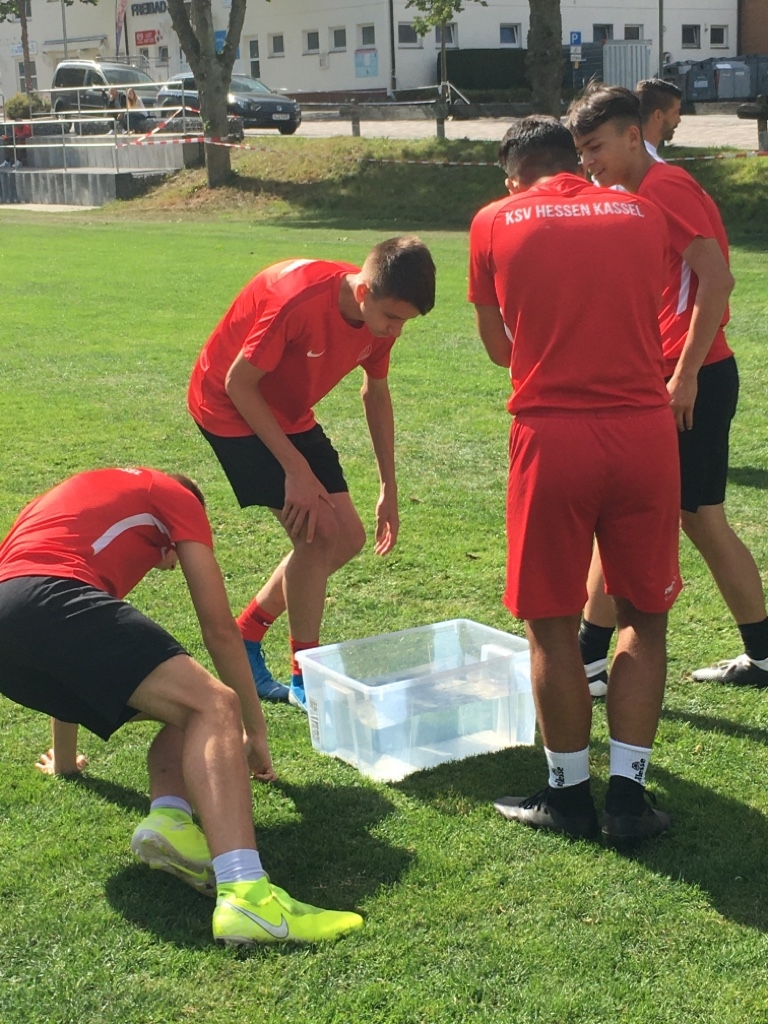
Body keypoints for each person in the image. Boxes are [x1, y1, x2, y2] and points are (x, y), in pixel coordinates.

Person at [0, 467, 363, 944]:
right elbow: (219, 629)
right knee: (215, 705)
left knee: (186, 705)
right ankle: (249, 898)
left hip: (12, 636)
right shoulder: (173, 495)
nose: (167, 564)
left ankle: (170, 819)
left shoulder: (73, 511)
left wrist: (65, 763)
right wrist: (254, 730)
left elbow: (57, 644)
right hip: (49, 598)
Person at [468, 116, 681, 844]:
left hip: (553, 435)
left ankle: (567, 796)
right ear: (574, 160)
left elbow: (499, 349)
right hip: (644, 432)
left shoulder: (493, 220)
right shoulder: (642, 210)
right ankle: (628, 798)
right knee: (643, 617)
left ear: (513, 176)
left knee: (551, 621)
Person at [567, 85, 768, 690]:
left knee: (688, 518)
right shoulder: (630, 193)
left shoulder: (664, 188)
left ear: (634, 137)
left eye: (596, 147)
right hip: (663, 378)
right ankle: (590, 659)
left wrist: (684, 376)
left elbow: (718, 281)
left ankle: (590, 660)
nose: (588, 162)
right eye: (581, 151)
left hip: (689, 379)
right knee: (648, 513)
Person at [188, 236, 436, 709]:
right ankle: (306, 674)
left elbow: (375, 393)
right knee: (317, 536)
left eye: (405, 321)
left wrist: (388, 486)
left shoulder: (376, 318)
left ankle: (247, 632)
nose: (396, 332)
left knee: (348, 538)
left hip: (288, 411)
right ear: (363, 292)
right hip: (228, 409)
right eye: (392, 318)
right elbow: (238, 383)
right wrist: (296, 470)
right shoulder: (296, 301)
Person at [636, 78, 683, 162]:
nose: (679, 120)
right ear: (658, 115)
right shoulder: (652, 163)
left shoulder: (625, 157)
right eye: (676, 112)